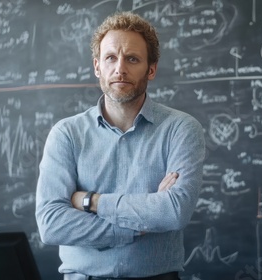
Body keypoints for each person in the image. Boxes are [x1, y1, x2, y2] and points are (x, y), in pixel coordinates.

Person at [35, 11, 206, 280]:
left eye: (133, 59)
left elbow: (174, 212)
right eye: (111, 58)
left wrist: (91, 201)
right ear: (97, 66)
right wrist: (138, 224)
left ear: (151, 69)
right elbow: (52, 224)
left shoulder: (181, 129)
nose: (120, 69)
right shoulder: (66, 134)